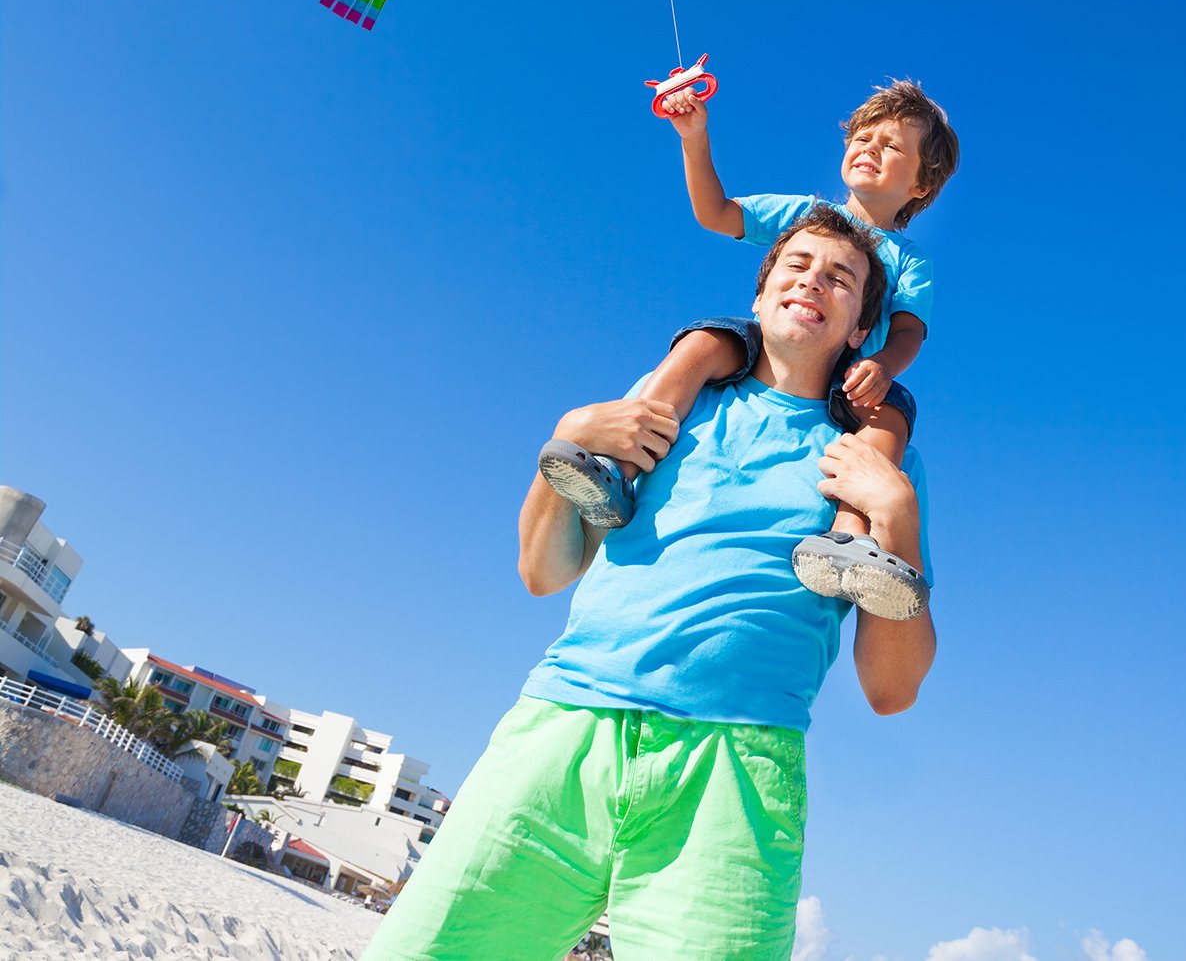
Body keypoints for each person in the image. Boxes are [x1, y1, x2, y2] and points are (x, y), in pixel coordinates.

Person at [358, 207, 936, 961]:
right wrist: (562, 444)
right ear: (759, 300)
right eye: (795, 265)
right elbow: (545, 571)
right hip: (565, 727)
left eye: (841, 278)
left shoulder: (874, 461)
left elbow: (891, 691)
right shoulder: (675, 400)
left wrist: (897, 516)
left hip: (735, 776)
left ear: (862, 329)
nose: (813, 281)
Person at [539, 79, 959, 620]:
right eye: (863, 136)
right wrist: (694, 136)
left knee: (892, 414)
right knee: (705, 342)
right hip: (770, 346)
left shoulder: (908, 260)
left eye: (893, 145)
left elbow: (908, 332)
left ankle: (847, 537)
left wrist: (881, 364)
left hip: (850, 377)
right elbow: (715, 212)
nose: (870, 149)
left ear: (922, 185)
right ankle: (619, 467)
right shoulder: (803, 213)